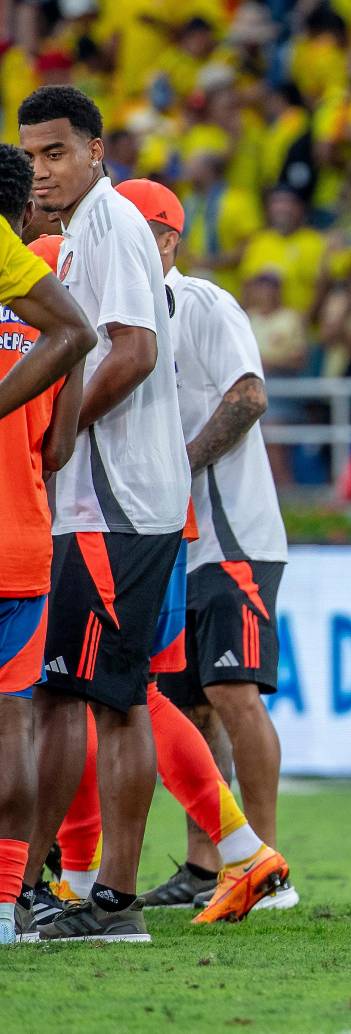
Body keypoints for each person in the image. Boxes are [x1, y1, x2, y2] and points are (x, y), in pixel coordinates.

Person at [17, 84, 191, 943]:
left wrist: (56, 429)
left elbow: (134, 348)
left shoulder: (112, 223)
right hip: (106, 502)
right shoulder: (77, 231)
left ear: (95, 150)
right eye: (31, 156)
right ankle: (51, 884)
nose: (41, 170)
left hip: (112, 502)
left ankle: (93, 900)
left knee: (89, 702)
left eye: (56, 153)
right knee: (89, 698)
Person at [113, 179, 294, 917]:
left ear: (166, 240)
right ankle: (205, 861)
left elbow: (248, 397)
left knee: (232, 691)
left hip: (232, 535)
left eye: (135, 232)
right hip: (170, 544)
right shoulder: (120, 317)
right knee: (187, 706)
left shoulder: (205, 304)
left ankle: (269, 866)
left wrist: (173, 463)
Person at [0, 150, 97, 947]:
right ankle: (8, 906)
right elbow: (59, 450)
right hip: (25, 544)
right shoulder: (45, 326)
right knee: (14, 729)